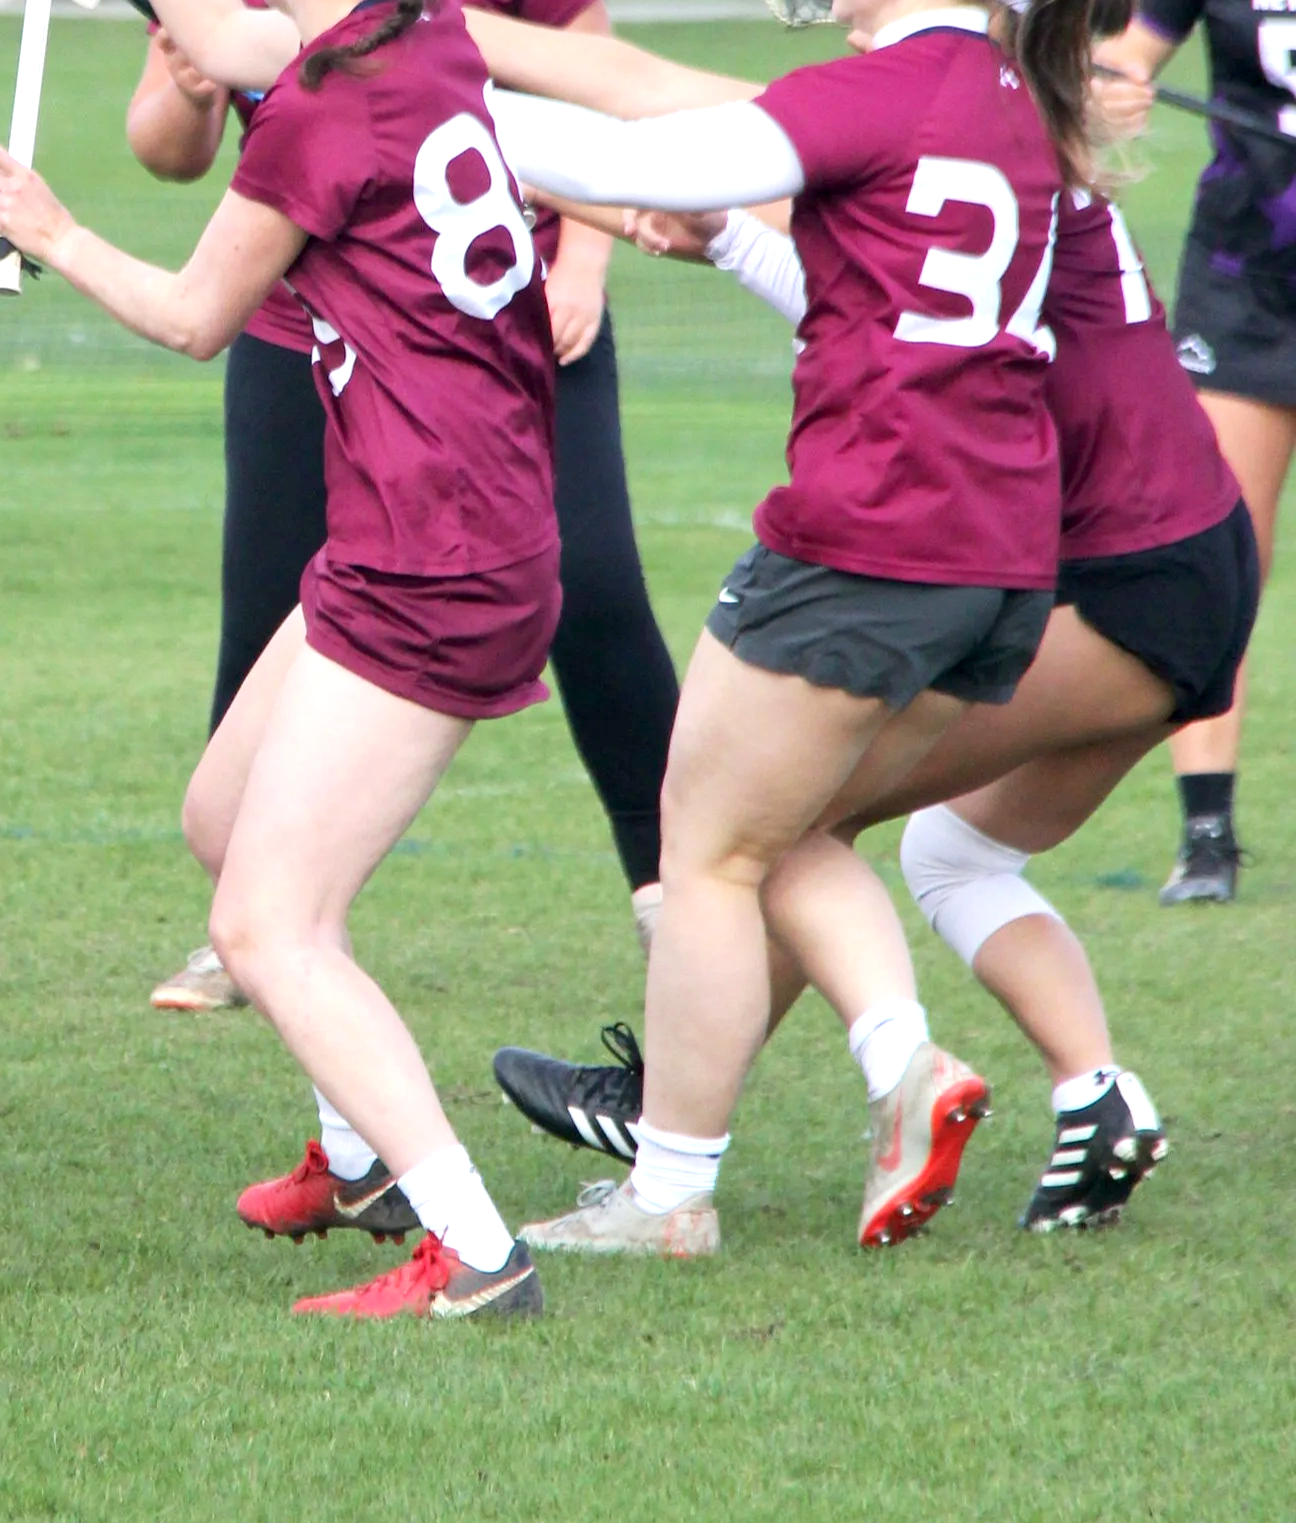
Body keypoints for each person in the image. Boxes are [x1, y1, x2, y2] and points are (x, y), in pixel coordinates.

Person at [464, 0, 1131, 1257]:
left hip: (868, 535)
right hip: (997, 564)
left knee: (705, 851)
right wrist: (733, 242)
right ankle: (900, 1066)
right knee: (790, 825)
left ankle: (675, 1196)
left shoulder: (879, 93)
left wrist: (407, 87)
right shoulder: (1019, 97)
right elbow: (889, 296)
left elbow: (626, 144)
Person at [0, 0, 558, 1322]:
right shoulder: (412, 37)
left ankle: (475, 1249)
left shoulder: (322, 112)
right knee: (221, 816)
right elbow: (229, 31)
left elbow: (191, 316)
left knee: (263, 923)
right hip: (440, 521)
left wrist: (53, 234)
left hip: (435, 550)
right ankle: (358, 1156)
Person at [488, 138, 1247, 1233]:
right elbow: (883, 315)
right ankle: (1096, 1097)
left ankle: (730, 1101)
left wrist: (500, 116)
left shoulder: (971, 145)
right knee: (953, 851)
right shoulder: (1020, 159)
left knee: (775, 811)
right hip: (1190, 567)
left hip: (1120, 579)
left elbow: (890, 329)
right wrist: (729, 232)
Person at [131, 0, 678, 1016]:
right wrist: (192, 67)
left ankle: (678, 894)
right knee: (271, 616)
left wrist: (595, 249)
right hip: (308, 333)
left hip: (479, 337)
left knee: (589, 596)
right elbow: (175, 127)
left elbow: (586, 101)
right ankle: (264, 915)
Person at [1092, 0, 1296, 903]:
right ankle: (1206, 836)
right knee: (1227, 557)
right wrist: (1108, 84)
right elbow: (1126, 61)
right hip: (1245, 287)